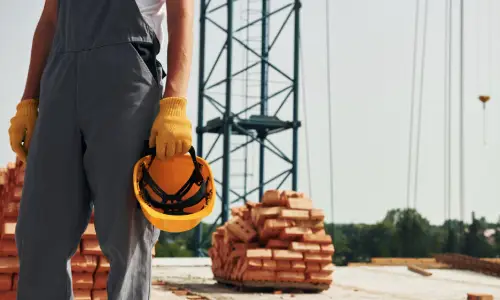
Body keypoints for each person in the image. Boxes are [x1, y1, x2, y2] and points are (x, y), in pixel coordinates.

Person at [7, 0, 194, 299]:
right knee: (39, 231)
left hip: (126, 84)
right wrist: (29, 99)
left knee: (126, 234)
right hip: (59, 83)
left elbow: (181, 11)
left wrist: (174, 102)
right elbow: (49, 21)